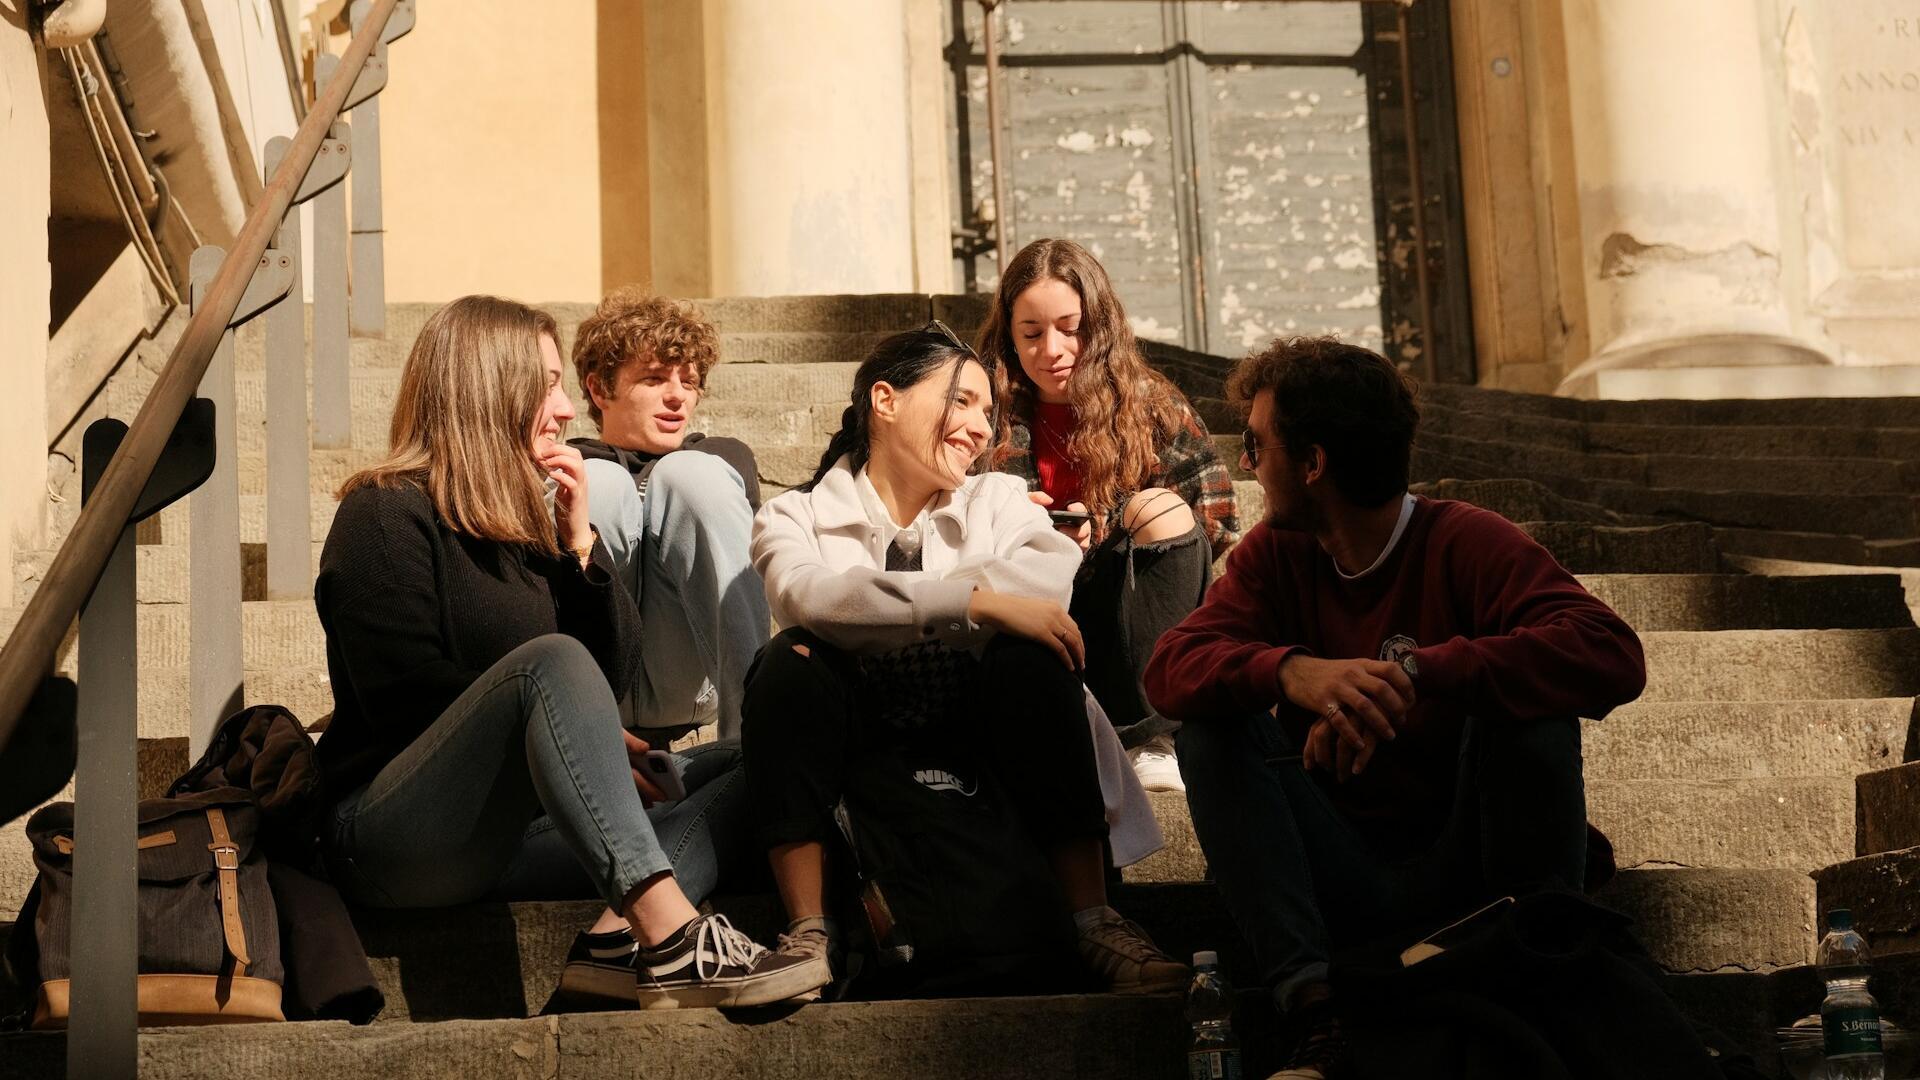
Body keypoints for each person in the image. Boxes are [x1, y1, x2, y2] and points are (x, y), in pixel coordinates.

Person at [1143, 336, 1647, 1079]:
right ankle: (1316, 1013)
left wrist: (1416, 673)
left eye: (1257, 445)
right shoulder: (1275, 556)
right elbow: (1168, 669)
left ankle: (1542, 967)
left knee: (1533, 709)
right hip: (1340, 873)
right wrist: (1295, 674)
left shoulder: (1465, 541)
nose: (1247, 464)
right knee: (1213, 724)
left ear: (1312, 464)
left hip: (1472, 870)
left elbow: (1610, 651)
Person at [313, 295, 827, 1010]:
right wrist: (549, 725)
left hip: (522, 837)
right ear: (491, 390)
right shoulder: (383, 512)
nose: (562, 410)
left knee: (755, 761)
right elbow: (400, 696)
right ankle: (674, 937)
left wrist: (578, 547)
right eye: (549, 385)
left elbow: (607, 676)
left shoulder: (525, 525)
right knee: (549, 664)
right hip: (398, 834)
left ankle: (616, 939)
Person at [741, 322, 1187, 998]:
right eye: (963, 402)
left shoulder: (999, 498)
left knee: (1031, 659)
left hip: (988, 726)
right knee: (789, 662)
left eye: (988, 411)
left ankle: (1094, 918)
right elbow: (812, 598)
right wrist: (977, 602)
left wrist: (889, 613)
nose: (982, 429)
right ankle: (808, 933)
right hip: (855, 737)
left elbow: (1044, 585)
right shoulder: (793, 516)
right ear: (884, 401)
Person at [976, 238, 1238, 794]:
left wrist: (1113, 527)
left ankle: (1153, 739)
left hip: (1132, 627)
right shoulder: (985, 412)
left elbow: (1215, 520)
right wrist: (1011, 520)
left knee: (1161, 509)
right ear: (1009, 336)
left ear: (1101, 323)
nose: (1053, 349)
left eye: (1071, 328)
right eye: (1031, 334)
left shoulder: (1149, 405)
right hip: (1032, 617)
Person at [569, 288, 768, 741]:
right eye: (655, 378)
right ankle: (565, 719)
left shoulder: (720, 459)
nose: (678, 396)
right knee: (594, 482)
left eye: (690, 381)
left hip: (692, 689)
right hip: (590, 696)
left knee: (690, 475)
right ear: (600, 388)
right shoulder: (572, 460)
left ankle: (756, 740)